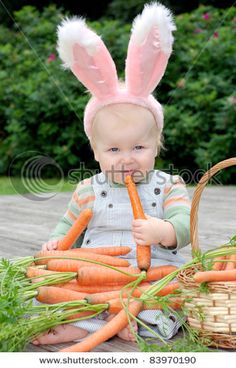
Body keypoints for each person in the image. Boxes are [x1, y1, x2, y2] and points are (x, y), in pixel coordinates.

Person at [33, 2, 190, 345]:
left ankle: (134, 322)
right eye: (114, 150)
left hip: (151, 275)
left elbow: (185, 225)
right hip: (96, 278)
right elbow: (68, 225)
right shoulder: (88, 189)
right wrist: (58, 244)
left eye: (139, 148)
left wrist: (163, 230)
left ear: (157, 145)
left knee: (160, 301)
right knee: (70, 295)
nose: (127, 159)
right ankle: (90, 323)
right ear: (96, 151)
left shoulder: (169, 185)